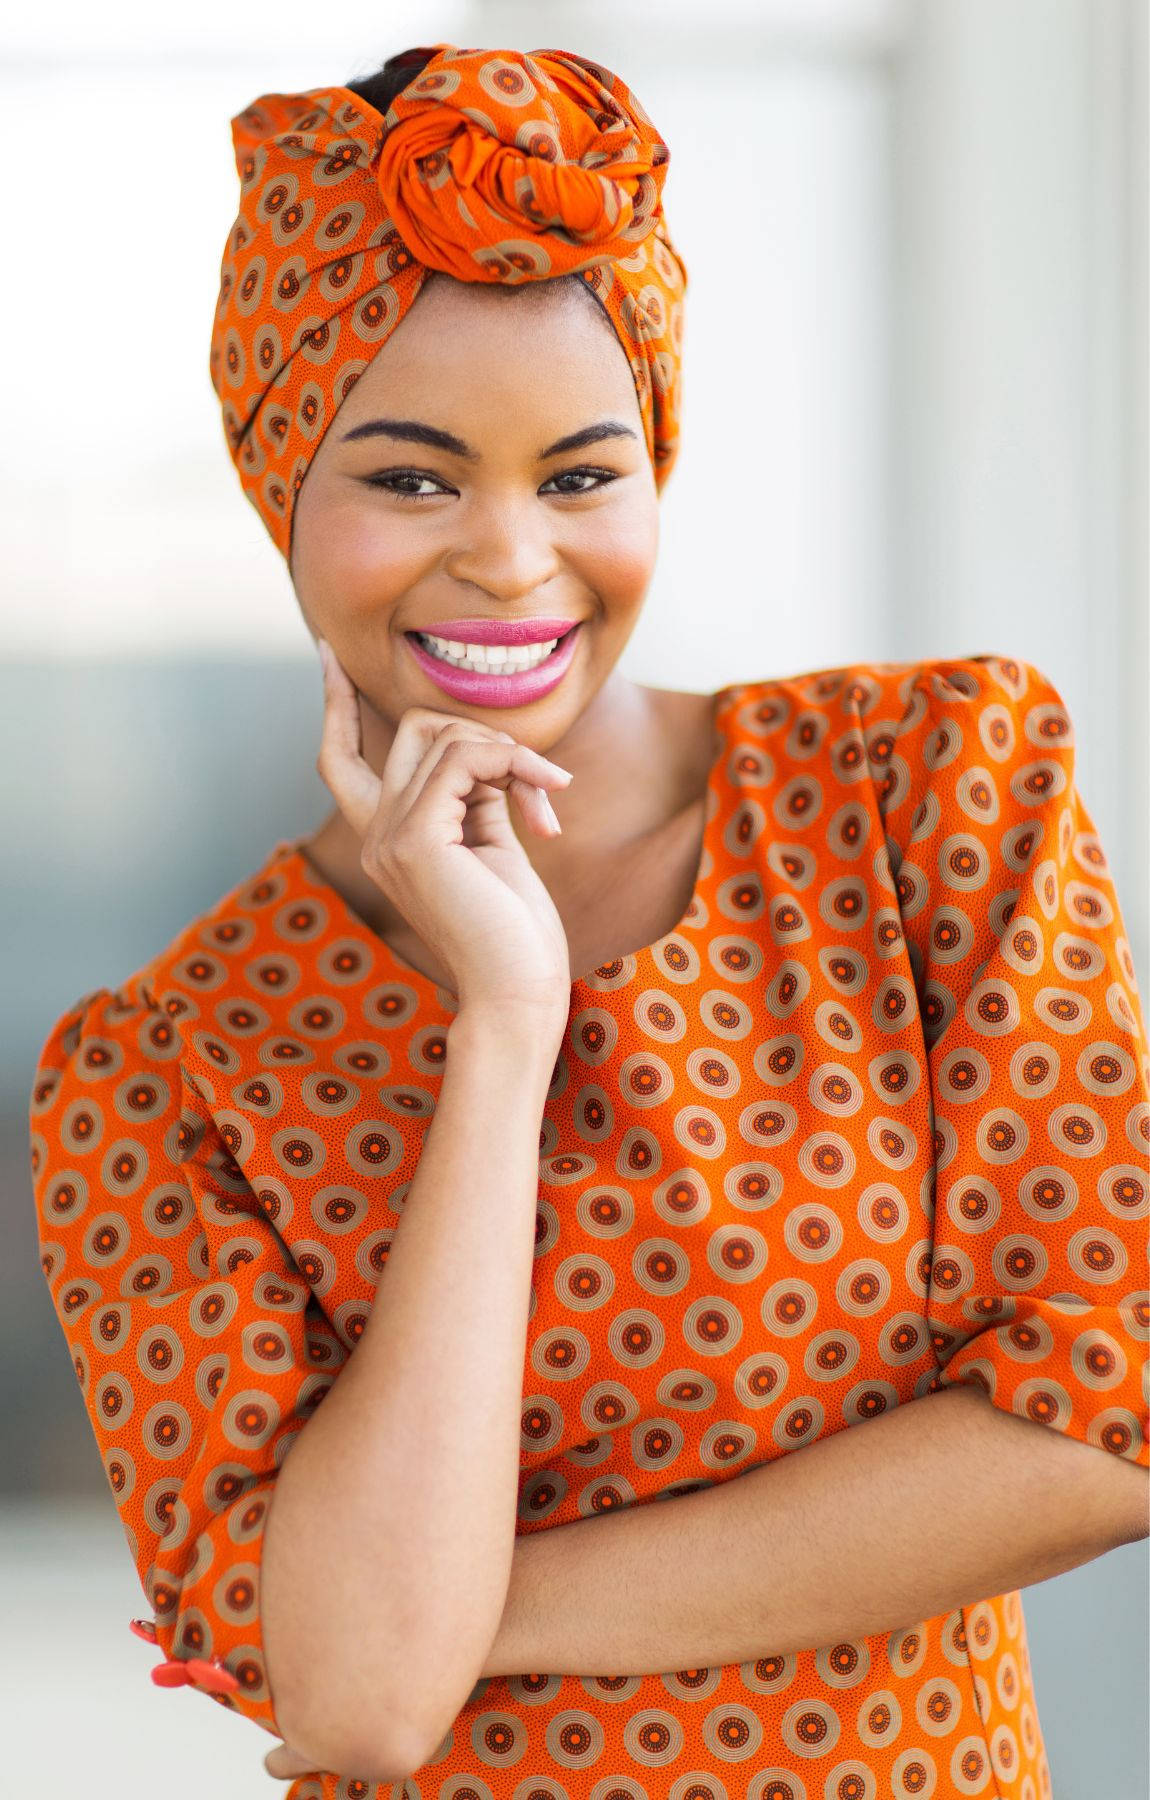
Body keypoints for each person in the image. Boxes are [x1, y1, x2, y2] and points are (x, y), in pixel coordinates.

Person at [28, 41, 1148, 1800]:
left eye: (577, 474)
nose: (509, 560)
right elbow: (370, 1720)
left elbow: (1106, 1419)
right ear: (277, 485)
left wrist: (458, 1607)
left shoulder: (930, 786)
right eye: (407, 477)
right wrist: (502, 1025)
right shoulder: (162, 1066)